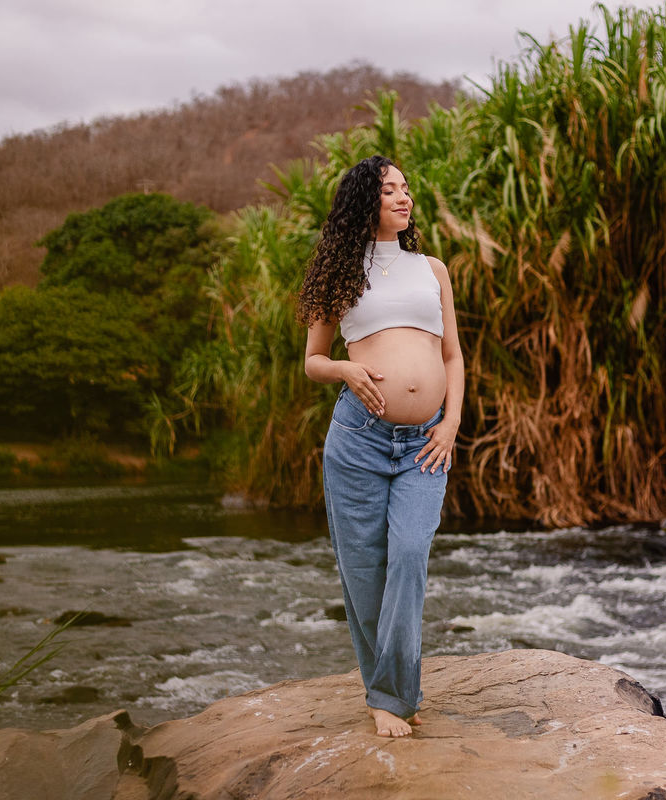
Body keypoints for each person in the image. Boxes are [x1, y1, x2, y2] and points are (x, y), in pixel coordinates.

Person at [298, 155, 464, 738]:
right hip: (360, 442)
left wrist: (451, 423)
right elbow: (313, 360)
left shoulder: (432, 269)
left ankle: (392, 692)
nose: (403, 197)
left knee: (411, 554)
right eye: (389, 189)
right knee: (365, 571)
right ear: (363, 200)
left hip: (426, 443)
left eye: (406, 188)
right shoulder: (339, 271)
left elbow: (452, 355)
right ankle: (390, 696)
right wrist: (345, 369)